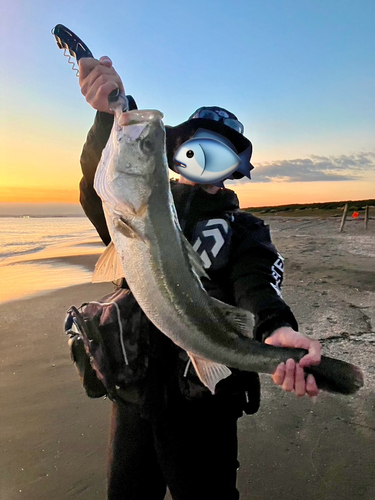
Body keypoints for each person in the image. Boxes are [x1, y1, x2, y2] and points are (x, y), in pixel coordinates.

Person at [77, 56, 321, 500]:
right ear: (180, 153)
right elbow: (103, 187)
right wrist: (106, 114)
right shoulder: (142, 202)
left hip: (203, 407)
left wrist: (274, 326)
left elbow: (256, 280)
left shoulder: (244, 230)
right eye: (197, 146)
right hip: (135, 396)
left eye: (222, 154)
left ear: (234, 169)